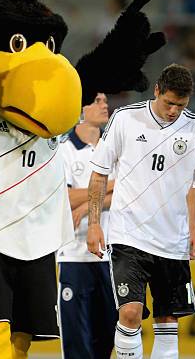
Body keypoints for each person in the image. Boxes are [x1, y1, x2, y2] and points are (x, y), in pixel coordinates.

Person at [86, 64, 195, 359]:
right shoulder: (126, 119)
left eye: (181, 105)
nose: (174, 110)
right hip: (129, 236)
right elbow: (99, 174)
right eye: (169, 103)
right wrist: (94, 224)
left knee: (167, 322)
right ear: (156, 91)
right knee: (129, 314)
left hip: (172, 242)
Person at [57, 93, 118, 359]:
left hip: (113, 257)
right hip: (74, 256)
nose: (105, 105)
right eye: (97, 100)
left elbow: (129, 194)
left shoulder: (114, 146)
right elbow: (64, 198)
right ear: (79, 108)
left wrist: (86, 207)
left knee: (107, 342)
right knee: (77, 345)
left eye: (106, 100)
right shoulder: (62, 150)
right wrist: (109, 185)